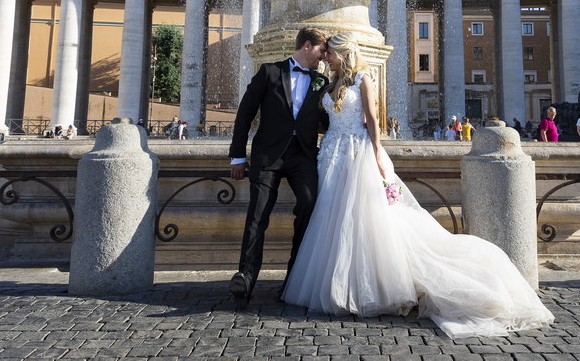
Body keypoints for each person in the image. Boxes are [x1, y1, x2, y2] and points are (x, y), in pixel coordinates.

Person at [283, 33, 553, 338]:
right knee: (332, 217)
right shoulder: (330, 84)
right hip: (332, 153)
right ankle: (338, 284)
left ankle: (366, 287)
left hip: (357, 153)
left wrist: (377, 155)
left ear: (343, 53)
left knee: (360, 220)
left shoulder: (363, 79)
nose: (326, 57)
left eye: (330, 53)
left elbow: (372, 119)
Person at [228, 26, 330, 308]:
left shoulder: (321, 80)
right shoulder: (268, 72)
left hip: (303, 157)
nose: (323, 58)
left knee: (309, 207)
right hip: (267, 156)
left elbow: (325, 120)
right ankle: (245, 279)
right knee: (257, 215)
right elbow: (245, 113)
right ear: (307, 46)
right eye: (322, 51)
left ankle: (293, 280)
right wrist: (237, 156)